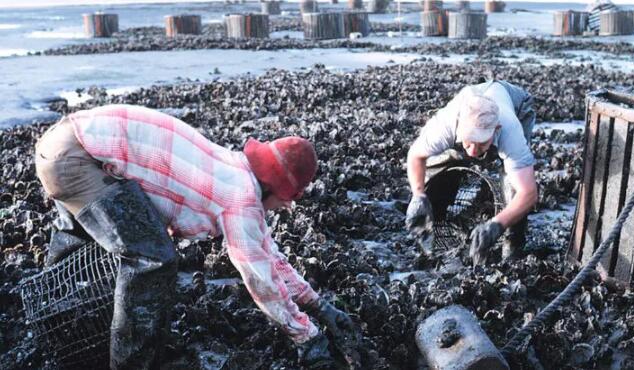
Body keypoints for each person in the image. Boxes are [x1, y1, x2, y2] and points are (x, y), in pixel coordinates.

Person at [34, 104, 356, 369]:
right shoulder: (241, 198)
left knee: (78, 262)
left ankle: (48, 321)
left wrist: (319, 305)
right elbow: (260, 278)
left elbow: (268, 254)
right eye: (287, 199)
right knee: (153, 259)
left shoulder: (235, 169)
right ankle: (131, 365)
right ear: (277, 188)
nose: (282, 206)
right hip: (77, 159)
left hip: (67, 142)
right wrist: (307, 337)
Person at [405, 80, 538, 265]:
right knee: (439, 166)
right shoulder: (445, 125)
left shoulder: (509, 129)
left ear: (496, 130)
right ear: (460, 128)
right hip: (468, 102)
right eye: (469, 141)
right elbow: (415, 156)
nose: (474, 152)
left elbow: (529, 192)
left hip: (517, 104)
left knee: (512, 185)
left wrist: (497, 224)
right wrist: (418, 195)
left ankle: (512, 247)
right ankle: (434, 231)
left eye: (482, 142)